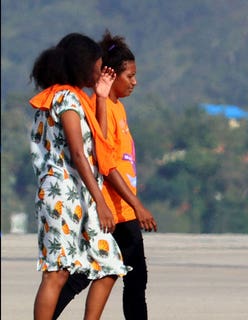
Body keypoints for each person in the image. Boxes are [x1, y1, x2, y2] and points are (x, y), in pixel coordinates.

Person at [53, 30, 158, 320]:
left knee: (107, 274)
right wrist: (136, 206)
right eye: (130, 76)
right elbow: (106, 163)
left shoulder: (116, 108)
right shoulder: (100, 108)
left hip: (121, 208)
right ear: (111, 74)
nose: (135, 82)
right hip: (115, 209)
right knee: (119, 276)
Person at [29, 32, 130, 320]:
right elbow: (77, 152)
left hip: (82, 192)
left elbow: (97, 142)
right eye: (97, 67)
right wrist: (101, 201)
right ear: (82, 65)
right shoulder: (64, 99)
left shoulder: (79, 98)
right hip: (62, 193)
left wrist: (100, 97)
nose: (100, 71)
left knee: (109, 263)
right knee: (57, 272)